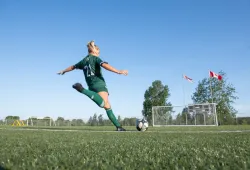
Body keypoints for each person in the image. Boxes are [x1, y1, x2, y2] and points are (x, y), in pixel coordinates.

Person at [57, 40, 128, 131]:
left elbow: (73, 67)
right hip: (99, 84)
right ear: (94, 51)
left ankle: (118, 127)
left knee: (107, 106)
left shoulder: (84, 61)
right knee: (104, 104)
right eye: (98, 52)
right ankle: (82, 90)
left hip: (91, 86)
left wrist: (63, 71)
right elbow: (105, 65)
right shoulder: (95, 58)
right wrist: (118, 71)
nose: (99, 54)